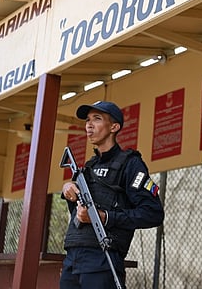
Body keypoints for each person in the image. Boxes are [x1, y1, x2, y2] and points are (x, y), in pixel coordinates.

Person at [60, 101, 164, 289]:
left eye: (97, 119)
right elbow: (79, 215)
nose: (89, 125)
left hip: (103, 259)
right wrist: (70, 192)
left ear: (114, 127)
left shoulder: (130, 164)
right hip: (72, 260)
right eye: (88, 120)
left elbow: (153, 213)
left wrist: (105, 217)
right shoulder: (89, 167)